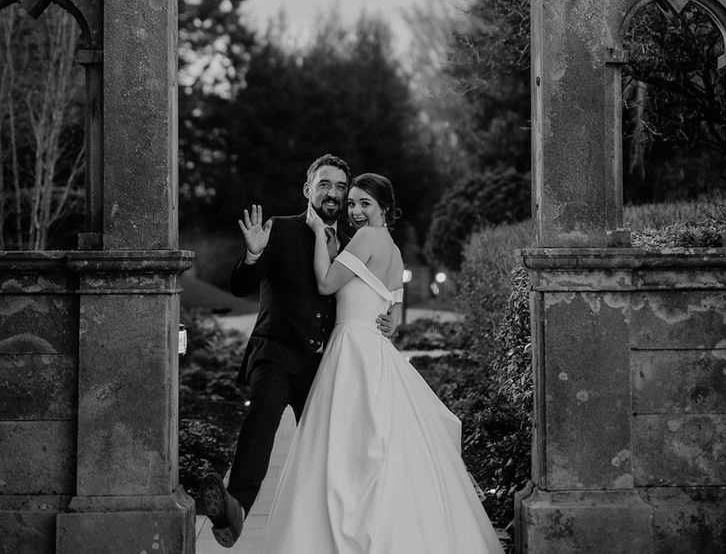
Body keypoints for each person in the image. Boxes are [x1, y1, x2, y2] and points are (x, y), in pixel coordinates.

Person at [263, 172, 504, 554]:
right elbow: (394, 308)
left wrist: (317, 232)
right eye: (353, 202)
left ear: (385, 208)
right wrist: (388, 315)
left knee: (345, 447)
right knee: (375, 444)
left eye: (365, 204)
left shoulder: (367, 238)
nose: (355, 211)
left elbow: (326, 284)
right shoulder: (393, 248)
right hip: (374, 347)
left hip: (352, 349)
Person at [201, 154, 395, 548]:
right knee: (262, 420)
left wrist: (391, 316)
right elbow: (240, 286)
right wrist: (254, 253)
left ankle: (335, 526)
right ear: (307, 189)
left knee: (330, 445)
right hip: (275, 353)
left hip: (321, 366)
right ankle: (234, 508)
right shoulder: (282, 230)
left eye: (341, 187)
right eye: (325, 184)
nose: (334, 194)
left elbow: (378, 289)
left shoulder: (351, 242)